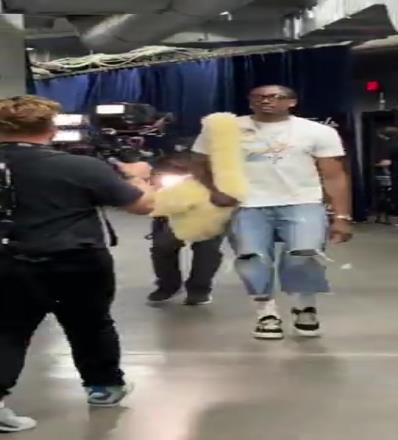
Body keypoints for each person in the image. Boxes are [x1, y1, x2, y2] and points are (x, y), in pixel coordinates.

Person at [0, 96, 155, 432]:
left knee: (9, 330)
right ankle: (103, 388)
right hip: (77, 260)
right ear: (51, 128)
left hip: (8, 260)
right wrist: (138, 177)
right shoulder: (80, 167)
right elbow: (142, 206)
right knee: (91, 324)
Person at [192, 85, 352, 340]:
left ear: (292, 101)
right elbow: (199, 163)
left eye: (274, 97)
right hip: (246, 205)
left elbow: (334, 175)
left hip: (302, 201)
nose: (265, 101)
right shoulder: (225, 129)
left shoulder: (317, 131)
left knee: (305, 254)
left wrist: (342, 216)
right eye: (258, 97)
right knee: (252, 259)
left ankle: (304, 307)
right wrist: (214, 190)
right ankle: (266, 313)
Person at [148, 152, 224, 305]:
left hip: (210, 202)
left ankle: (199, 289)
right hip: (175, 197)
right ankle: (168, 285)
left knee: (207, 249)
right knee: (163, 246)